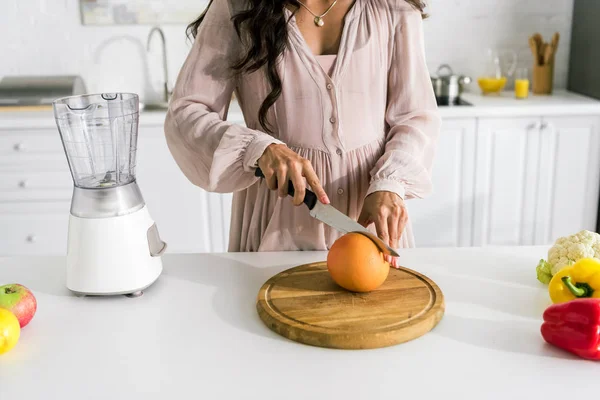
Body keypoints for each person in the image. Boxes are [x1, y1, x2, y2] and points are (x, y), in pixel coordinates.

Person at [164, 0, 441, 266]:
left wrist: (391, 183)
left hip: (373, 215)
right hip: (276, 217)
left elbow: (416, 116)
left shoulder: (393, 7)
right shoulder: (237, 7)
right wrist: (258, 149)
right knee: (266, 310)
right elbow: (185, 114)